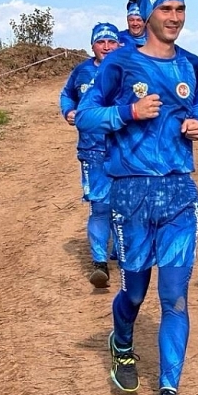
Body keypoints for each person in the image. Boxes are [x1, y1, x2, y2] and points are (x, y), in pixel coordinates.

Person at [75, 0, 198, 395]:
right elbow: (86, 115)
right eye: (166, 9)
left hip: (178, 193)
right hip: (130, 192)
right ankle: (123, 342)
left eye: (180, 9)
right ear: (148, 13)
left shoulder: (191, 65)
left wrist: (196, 127)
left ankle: (169, 392)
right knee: (135, 290)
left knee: (175, 298)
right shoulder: (119, 64)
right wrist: (126, 113)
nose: (174, 17)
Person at [59, 22, 120, 289]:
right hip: (92, 150)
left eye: (111, 42)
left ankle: (124, 255)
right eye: (101, 42)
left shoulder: (128, 69)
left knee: (126, 206)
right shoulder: (81, 72)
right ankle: (99, 263)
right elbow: (66, 95)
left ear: (118, 44)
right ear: (92, 45)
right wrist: (68, 111)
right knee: (100, 206)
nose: (106, 47)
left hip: (124, 148)